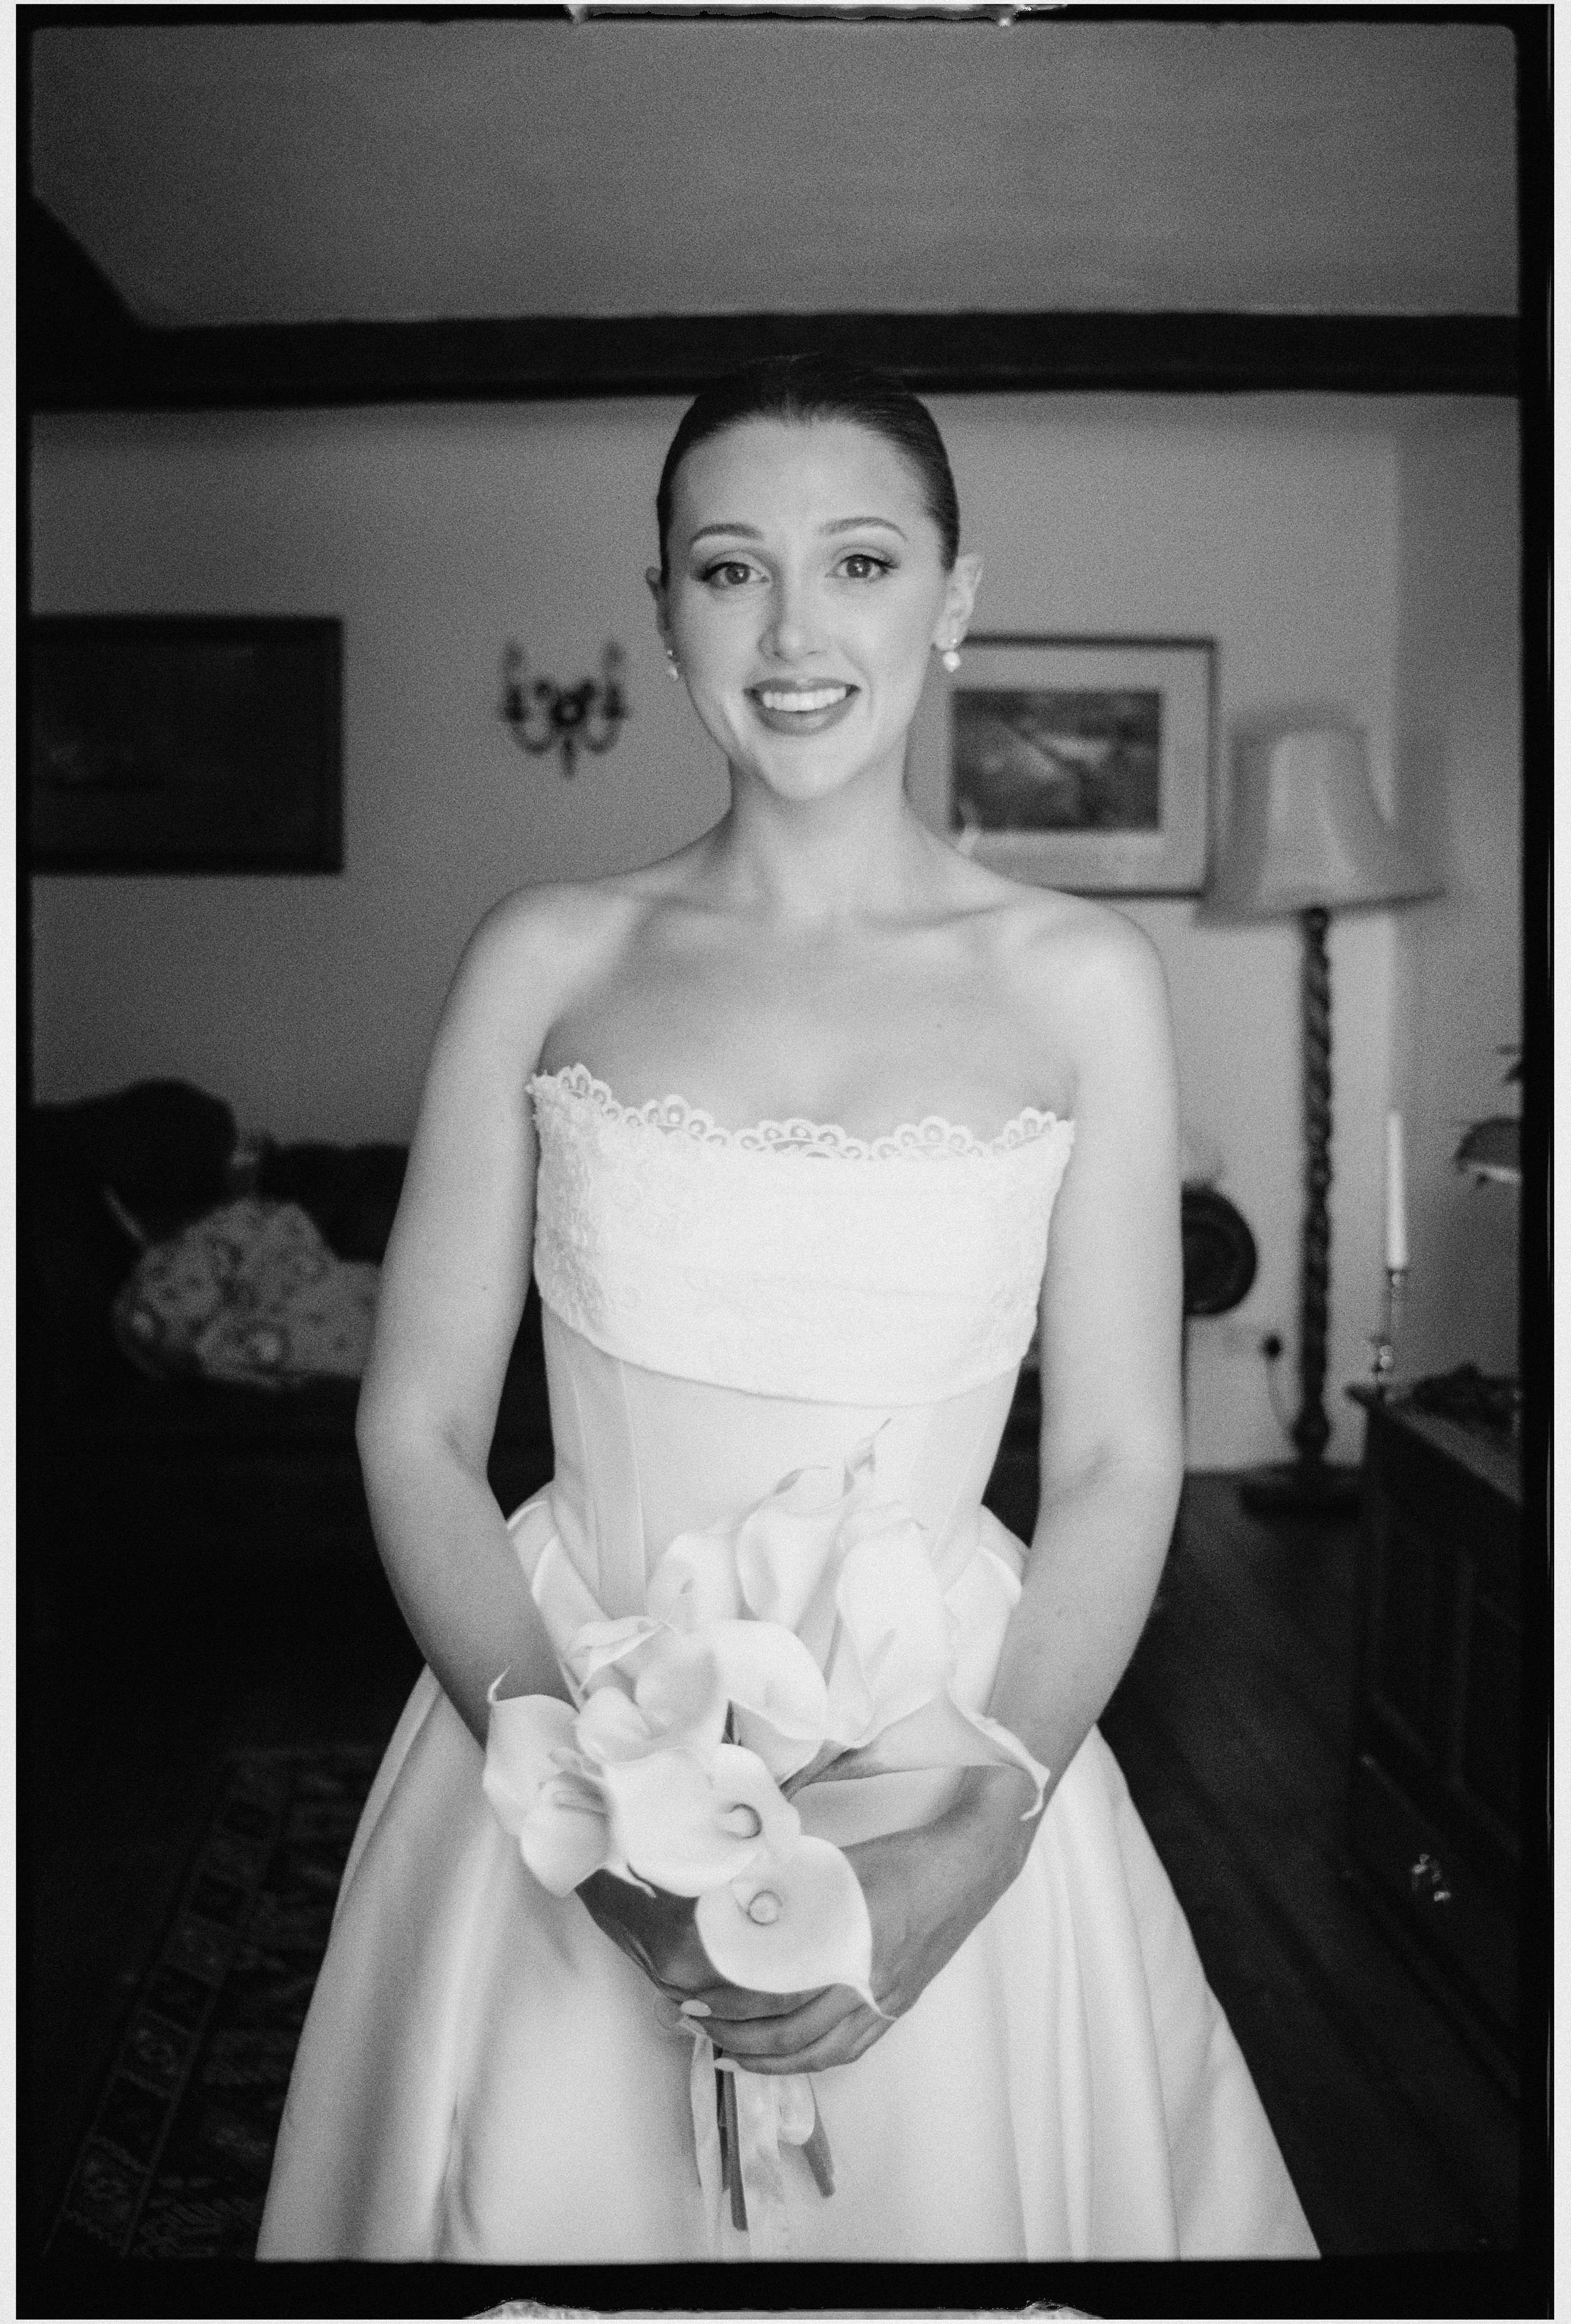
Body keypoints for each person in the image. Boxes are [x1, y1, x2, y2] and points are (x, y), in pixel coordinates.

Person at [258, 354, 1317, 2264]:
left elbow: (1111, 1456)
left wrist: (970, 1838)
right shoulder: (546, 955)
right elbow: (409, 1428)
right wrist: (584, 1800)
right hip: (561, 1715)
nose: (795, 627)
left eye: (859, 561)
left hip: (951, 1738)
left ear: (954, 598)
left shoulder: (1079, 980)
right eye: (729, 567)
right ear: (663, 611)